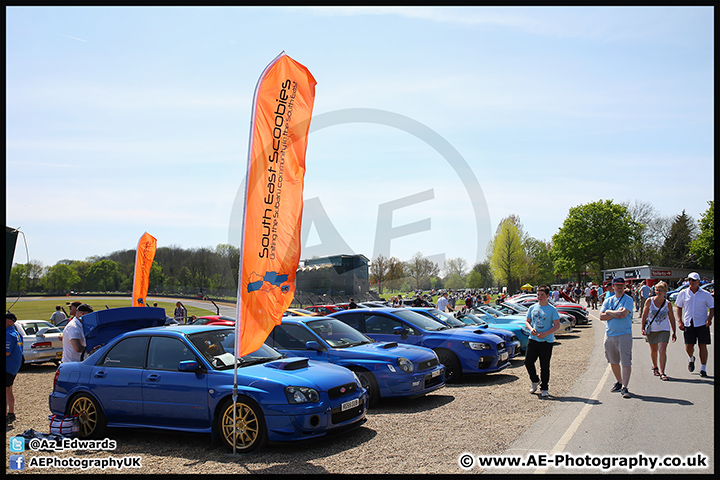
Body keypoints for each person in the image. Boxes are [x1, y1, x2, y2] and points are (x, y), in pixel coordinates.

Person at [600, 277, 634, 398]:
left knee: (625, 361)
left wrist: (609, 313)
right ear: (612, 287)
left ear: (624, 286)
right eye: (617, 285)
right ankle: (619, 381)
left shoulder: (628, 300)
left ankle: (625, 386)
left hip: (624, 334)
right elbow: (601, 316)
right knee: (613, 361)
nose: (619, 287)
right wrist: (611, 311)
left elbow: (622, 314)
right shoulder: (608, 300)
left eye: (621, 285)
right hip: (610, 334)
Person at [675, 272, 714, 377]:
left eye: (693, 280)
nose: (691, 282)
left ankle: (703, 368)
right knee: (688, 346)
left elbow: (712, 307)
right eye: (689, 280)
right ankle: (691, 358)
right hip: (689, 322)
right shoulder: (683, 293)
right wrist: (679, 320)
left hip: (702, 323)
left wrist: (709, 318)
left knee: (702, 345)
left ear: (698, 282)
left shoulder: (705, 294)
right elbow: (678, 307)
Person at [524, 285, 561, 398]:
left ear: (547, 296)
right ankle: (535, 380)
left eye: (542, 295)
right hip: (533, 339)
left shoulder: (552, 309)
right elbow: (527, 321)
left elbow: (557, 325)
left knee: (544, 365)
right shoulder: (532, 308)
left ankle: (544, 387)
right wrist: (531, 329)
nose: (539, 297)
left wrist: (545, 333)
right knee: (528, 362)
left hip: (546, 341)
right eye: (538, 295)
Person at [640, 281, 676, 381]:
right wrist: (642, 327)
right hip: (652, 329)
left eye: (660, 290)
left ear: (665, 292)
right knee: (653, 349)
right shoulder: (649, 301)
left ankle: (662, 372)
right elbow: (644, 314)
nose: (658, 292)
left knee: (662, 349)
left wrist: (674, 331)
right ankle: (655, 366)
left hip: (664, 329)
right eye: (657, 290)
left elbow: (672, 318)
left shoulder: (668, 304)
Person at [6, 313, 23, 426]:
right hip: (13, 367)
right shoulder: (16, 333)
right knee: (9, 390)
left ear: (10, 322)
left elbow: (7, 352)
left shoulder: (9, 335)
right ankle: (11, 412)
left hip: (8, 367)